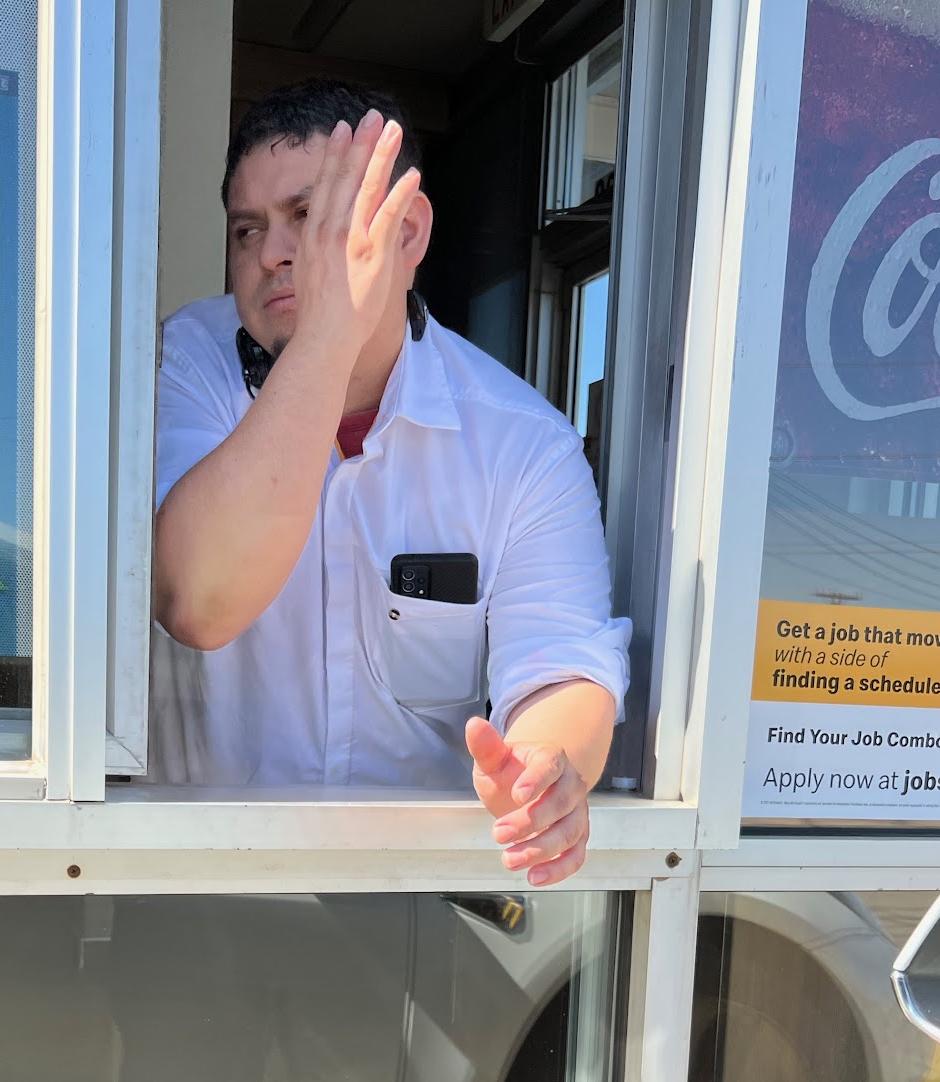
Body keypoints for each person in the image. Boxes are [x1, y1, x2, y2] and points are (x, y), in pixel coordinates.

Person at [152, 80, 630, 888]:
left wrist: (543, 770)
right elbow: (197, 600)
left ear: (406, 231)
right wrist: (330, 330)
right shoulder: (185, 360)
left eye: (308, 217)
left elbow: (559, 663)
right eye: (247, 229)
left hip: (414, 896)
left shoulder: (523, 444)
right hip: (199, 882)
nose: (270, 254)